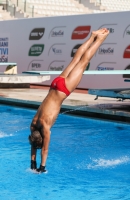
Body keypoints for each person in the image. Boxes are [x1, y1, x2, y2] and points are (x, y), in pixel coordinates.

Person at [28, 28, 109, 173]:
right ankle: (92, 37)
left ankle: (100, 39)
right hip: (55, 84)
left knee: (84, 62)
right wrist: (32, 163)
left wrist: (42, 167)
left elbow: (44, 149)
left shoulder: (45, 127)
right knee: (76, 59)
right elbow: (33, 143)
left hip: (63, 89)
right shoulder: (33, 124)